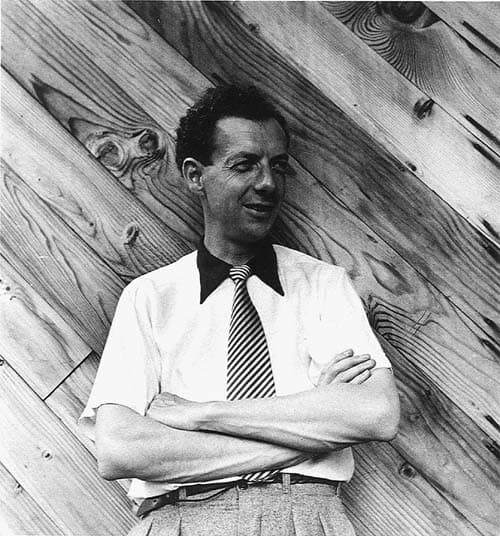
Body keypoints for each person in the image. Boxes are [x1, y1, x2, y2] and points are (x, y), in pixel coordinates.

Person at [80, 85, 400, 536]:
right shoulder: (149, 297)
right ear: (196, 176)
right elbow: (121, 450)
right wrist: (313, 430)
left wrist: (201, 414)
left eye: (277, 166)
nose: (267, 183)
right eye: (244, 164)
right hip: (183, 521)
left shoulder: (323, 285)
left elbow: (376, 413)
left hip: (305, 519)